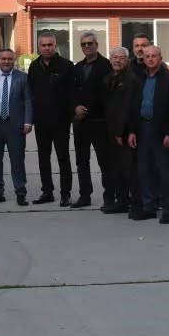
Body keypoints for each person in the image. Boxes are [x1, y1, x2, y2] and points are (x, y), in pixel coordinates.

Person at [126, 45, 169, 223]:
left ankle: (167, 208)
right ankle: (149, 207)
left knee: (164, 171)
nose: (150, 59)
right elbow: (134, 106)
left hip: (161, 131)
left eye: (154, 56)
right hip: (142, 128)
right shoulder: (139, 78)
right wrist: (132, 131)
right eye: (147, 56)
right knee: (145, 170)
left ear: (161, 57)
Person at [26, 32, 74, 205]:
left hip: (61, 121)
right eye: (43, 45)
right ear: (39, 47)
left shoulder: (66, 65)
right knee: (43, 158)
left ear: (55, 45)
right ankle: (47, 192)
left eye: (50, 45)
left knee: (63, 157)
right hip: (41, 120)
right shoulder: (34, 66)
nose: (47, 48)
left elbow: (73, 92)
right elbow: (30, 93)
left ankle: (65, 194)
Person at [70, 31, 113, 209]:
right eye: (84, 44)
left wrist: (86, 108)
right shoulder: (77, 67)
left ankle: (109, 196)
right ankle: (84, 195)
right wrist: (75, 107)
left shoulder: (107, 65)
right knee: (82, 161)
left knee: (105, 161)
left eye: (90, 43)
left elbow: (107, 94)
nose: (87, 46)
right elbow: (71, 92)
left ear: (96, 45)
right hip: (80, 123)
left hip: (99, 121)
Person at [0, 49, 33, 206]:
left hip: (16, 126)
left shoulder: (23, 77)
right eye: (3, 59)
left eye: (9, 59)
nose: (6, 62)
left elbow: (28, 101)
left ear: (14, 60)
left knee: (17, 160)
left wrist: (28, 122)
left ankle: (20, 192)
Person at [102, 47, 139, 216]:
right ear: (110, 59)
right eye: (115, 57)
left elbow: (129, 108)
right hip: (110, 130)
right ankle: (121, 200)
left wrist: (121, 132)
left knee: (129, 169)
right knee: (116, 168)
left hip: (124, 132)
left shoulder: (131, 79)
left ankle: (135, 203)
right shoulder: (108, 78)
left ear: (127, 60)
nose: (118, 60)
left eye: (122, 58)